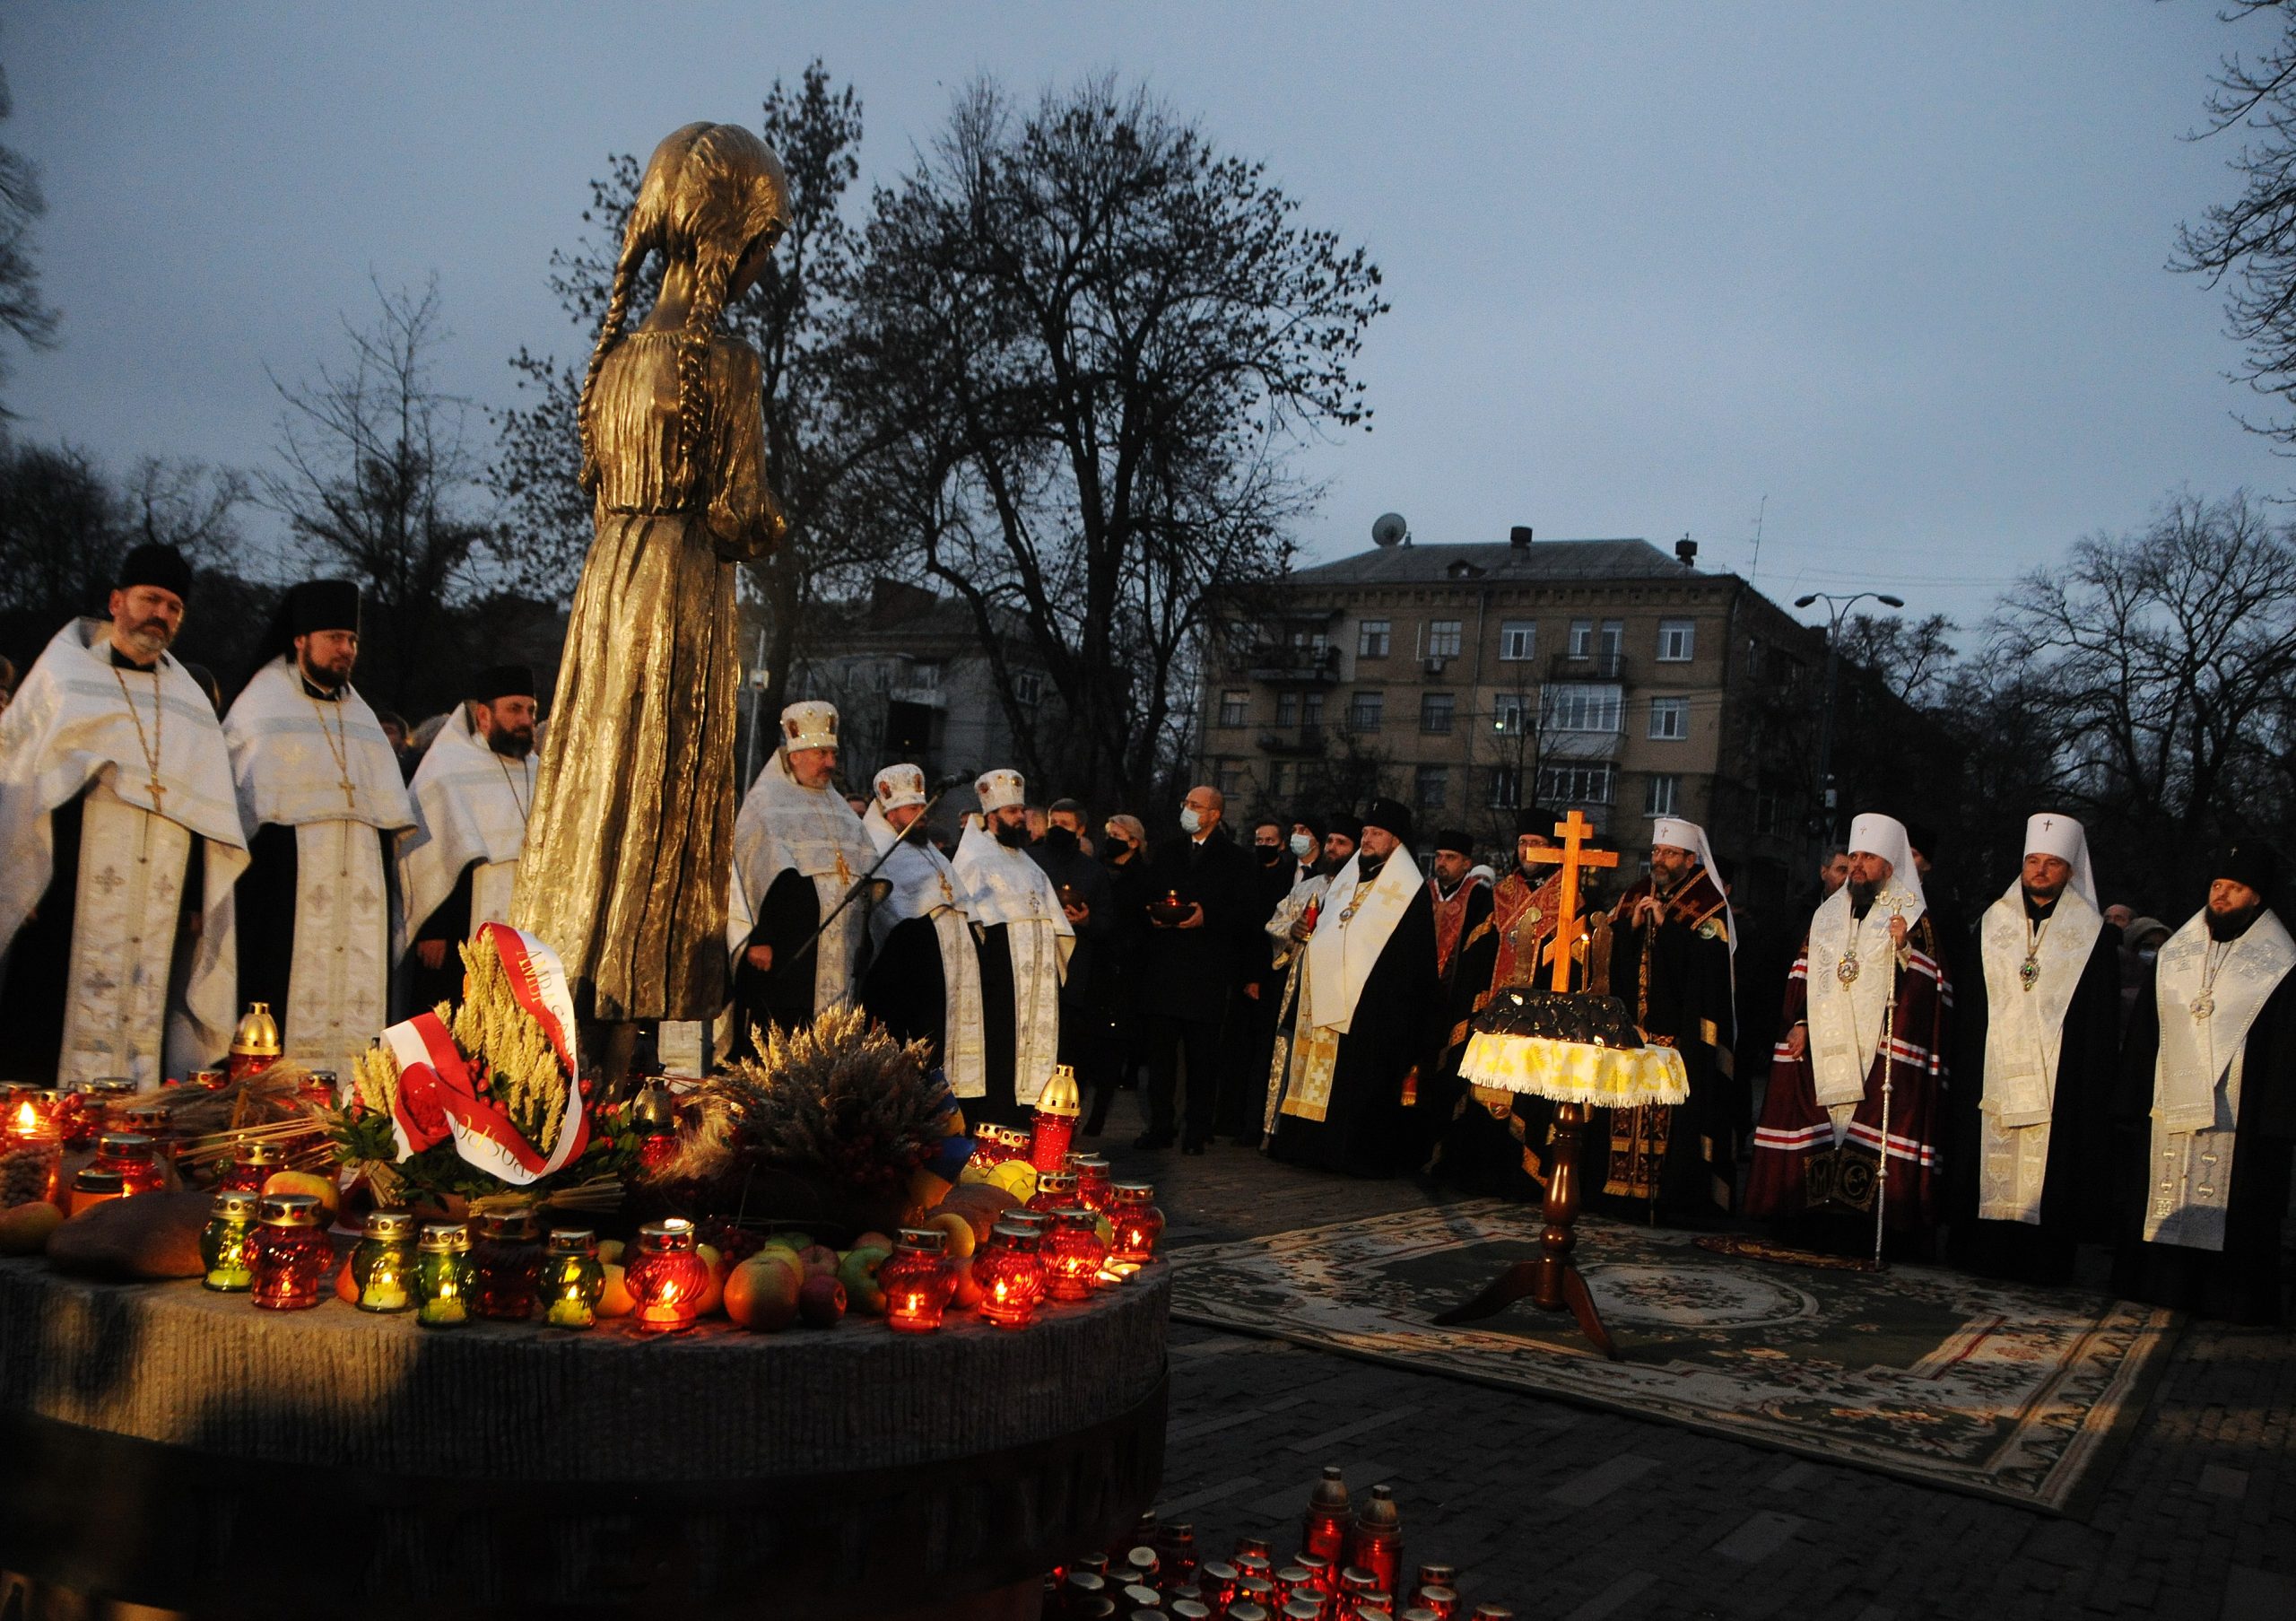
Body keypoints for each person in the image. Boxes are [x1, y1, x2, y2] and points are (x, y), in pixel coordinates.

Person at [510, 123, 789, 1085]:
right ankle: (625, 1051)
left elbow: (599, 477)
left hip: (608, 588)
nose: (761, 268)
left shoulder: (621, 356)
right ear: (732, 243)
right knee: (658, 793)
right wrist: (774, 527)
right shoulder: (728, 364)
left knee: (598, 783)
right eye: (760, 247)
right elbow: (734, 509)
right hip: (679, 593)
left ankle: (569, 1030)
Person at [0, 545, 248, 1085]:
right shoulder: (62, 677)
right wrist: (23, 868)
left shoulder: (189, 702)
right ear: (117, 602)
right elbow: (19, 781)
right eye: (150, 599)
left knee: (148, 1017)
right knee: (44, 1021)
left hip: (156, 905)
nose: (161, 614)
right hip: (64, 891)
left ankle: (131, 1142)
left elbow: (206, 815)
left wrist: (193, 900)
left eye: (174, 607)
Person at [224, 580, 415, 1081]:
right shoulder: (260, 707)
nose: (346, 650)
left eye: (352, 641)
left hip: (358, 904)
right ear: (300, 639)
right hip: (283, 899)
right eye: (334, 637)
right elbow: (243, 813)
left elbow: (388, 821)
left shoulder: (363, 718)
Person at [1746, 812, 1951, 1251]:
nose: (1857, 865)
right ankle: (1810, 1218)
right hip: (1824, 1045)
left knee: (1864, 1133)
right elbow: (1805, 977)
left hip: (1878, 1049)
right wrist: (1799, 1021)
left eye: (1868, 857)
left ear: (1890, 867)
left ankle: (1863, 1230)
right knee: (1820, 1130)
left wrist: (1903, 949)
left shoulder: (1913, 917)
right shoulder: (1826, 915)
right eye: (1853, 856)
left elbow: (1930, 993)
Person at [2111, 843, 2294, 1324]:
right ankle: (2156, 1283)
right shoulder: (2178, 952)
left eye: (2234, 889)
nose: (2222, 896)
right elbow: (2146, 1029)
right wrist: (2130, 1096)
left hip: (2240, 1109)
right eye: (2217, 886)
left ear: (2257, 897)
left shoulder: (2279, 959)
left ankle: (2222, 1295)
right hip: (2169, 1095)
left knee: (2236, 1200)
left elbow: (2283, 1046)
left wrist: (2277, 1118)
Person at [1942, 813, 2118, 1285]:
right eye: (2032, 861)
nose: (2039, 871)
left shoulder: (2094, 938)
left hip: (2056, 1082)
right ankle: (1977, 1252)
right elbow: (1971, 1008)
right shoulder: (1990, 925)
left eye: (2052, 863)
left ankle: (2041, 1262)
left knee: (2050, 1170)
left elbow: (2099, 1024)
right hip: (1991, 1076)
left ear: (2071, 871)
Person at [1268, 797, 1442, 1177]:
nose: (1367, 839)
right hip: (1323, 994)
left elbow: (1411, 961)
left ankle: (1345, 1154)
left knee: (1354, 1081)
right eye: (1365, 832)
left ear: (1396, 842)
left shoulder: (1407, 890)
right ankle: (1302, 1144)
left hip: (1371, 1006)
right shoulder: (1349, 879)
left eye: (1376, 833)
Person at [1594, 817, 1737, 1222]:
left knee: (1670, 1119)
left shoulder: (1707, 903)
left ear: (1691, 859)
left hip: (1678, 1036)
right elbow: (1613, 959)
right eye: (1656, 852)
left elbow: (1703, 976)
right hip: (1632, 1031)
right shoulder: (1636, 893)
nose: (1659, 860)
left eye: (1670, 853)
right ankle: (1619, 1195)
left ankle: (1666, 1196)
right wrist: (1633, 928)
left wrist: (1667, 931)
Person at [727, 701, 874, 1050]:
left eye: (832, 754)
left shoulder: (836, 804)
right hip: (785, 955)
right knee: (781, 1040)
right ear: (796, 755)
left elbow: (868, 866)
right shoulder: (765, 802)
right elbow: (755, 876)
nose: (831, 764)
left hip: (836, 949)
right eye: (822, 753)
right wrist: (760, 938)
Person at [397, 665, 540, 1014]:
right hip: (460, 926)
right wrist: (434, 929)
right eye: (514, 709)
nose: (525, 720)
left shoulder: (539, 771)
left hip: (527, 921)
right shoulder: (448, 767)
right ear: (483, 716)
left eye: (531, 710)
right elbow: (428, 852)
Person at [1132, 784, 1258, 1152]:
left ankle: (1197, 1129)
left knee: (1203, 1058)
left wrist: (1208, 917)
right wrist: (1153, 913)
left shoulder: (1236, 860)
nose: (1187, 809)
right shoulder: (1169, 852)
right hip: (1165, 969)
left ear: (1214, 815)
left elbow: (1246, 914)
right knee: (1160, 1058)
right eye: (1185, 802)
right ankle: (1160, 1125)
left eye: (1195, 805)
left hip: (1206, 972)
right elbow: (1148, 895)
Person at [857, 763, 986, 1101]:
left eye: (924, 806)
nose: (923, 814)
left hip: (941, 977)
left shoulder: (928, 850)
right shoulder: (876, 848)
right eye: (914, 808)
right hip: (904, 977)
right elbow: (887, 918)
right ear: (889, 811)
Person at [953, 769, 1071, 1126]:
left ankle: (1026, 1122)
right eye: (1012, 812)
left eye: (1021, 811)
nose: (1021, 818)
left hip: (1036, 986)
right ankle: (995, 1125)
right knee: (1001, 1054)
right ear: (992, 818)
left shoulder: (1030, 865)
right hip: (999, 982)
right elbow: (969, 927)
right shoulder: (973, 860)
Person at [1031, 795, 1119, 1131]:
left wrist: (1084, 921)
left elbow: (1107, 923)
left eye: (1065, 825)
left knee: (1069, 1052)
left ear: (1081, 829)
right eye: (1054, 823)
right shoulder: (1030, 858)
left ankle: (1062, 1122)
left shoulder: (1093, 872)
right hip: (1035, 969)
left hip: (1075, 977)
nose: (1058, 829)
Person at [1427, 829, 1493, 986]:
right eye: (1438, 856)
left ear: (1466, 864)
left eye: (1450, 857)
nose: (1441, 862)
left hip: (1458, 985)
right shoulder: (1422, 892)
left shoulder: (1481, 897)